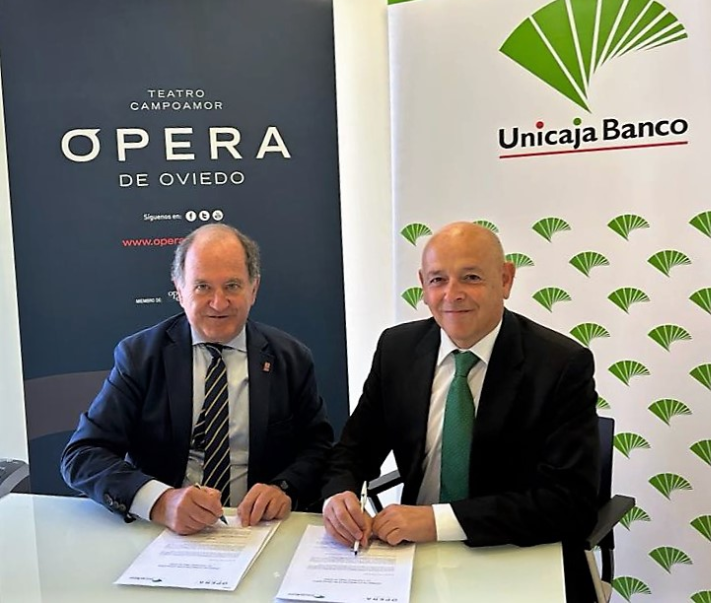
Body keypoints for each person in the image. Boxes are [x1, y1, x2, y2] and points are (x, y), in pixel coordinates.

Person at [322, 221, 600, 603]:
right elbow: (354, 448)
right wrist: (339, 495)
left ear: (505, 279)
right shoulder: (397, 350)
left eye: (471, 277)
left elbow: (570, 503)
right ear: (423, 286)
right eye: (438, 280)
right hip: (413, 558)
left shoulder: (560, 365)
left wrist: (437, 521)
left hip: (514, 553)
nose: (452, 294)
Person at [61, 223, 333, 535]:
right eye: (202, 287)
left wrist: (284, 487)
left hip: (258, 530)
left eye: (232, 286)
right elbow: (83, 454)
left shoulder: (291, 358)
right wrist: (159, 501)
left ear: (254, 289)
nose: (218, 303)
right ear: (179, 290)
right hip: (164, 534)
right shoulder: (140, 356)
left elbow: (318, 448)